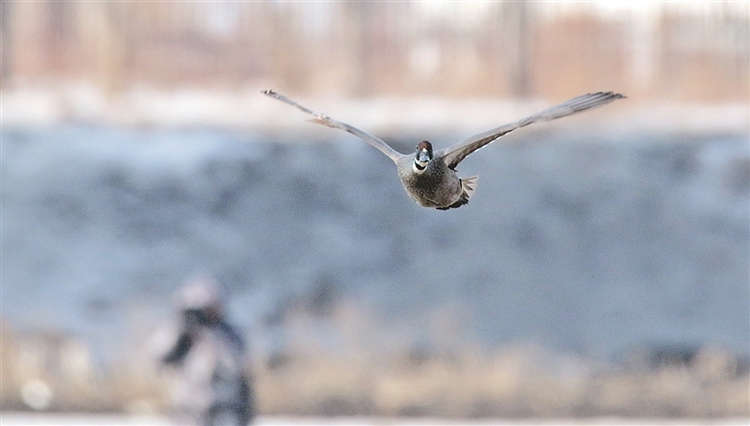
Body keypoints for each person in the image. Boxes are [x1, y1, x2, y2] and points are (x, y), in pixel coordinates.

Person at [160, 277, 253, 426]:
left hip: (224, 411)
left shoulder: (228, 334)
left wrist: (210, 338)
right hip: (188, 410)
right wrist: (181, 337)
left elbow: (237, 366)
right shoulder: (179, 332)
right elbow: (159, 358)